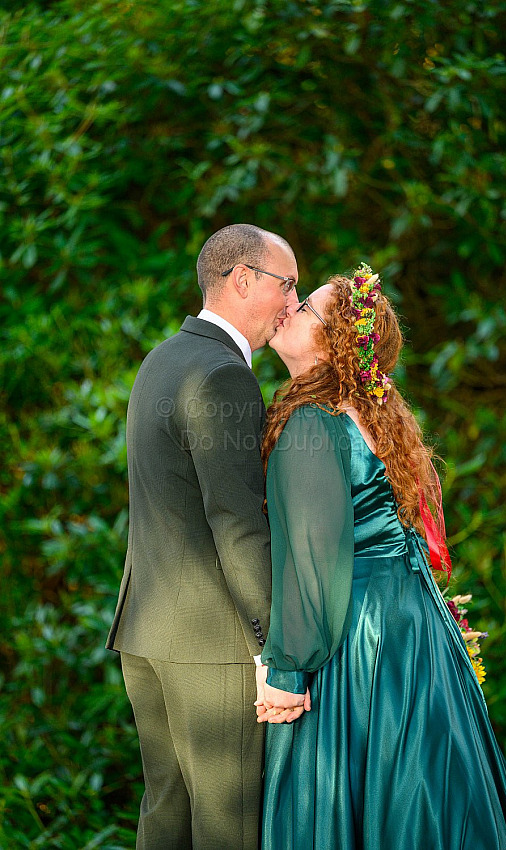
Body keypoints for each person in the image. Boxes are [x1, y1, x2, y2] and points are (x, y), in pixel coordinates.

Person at [255, 265, 506, 849]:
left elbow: (314, 564)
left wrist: (287, 673)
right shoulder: (365, 413)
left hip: (359, 636)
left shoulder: (313, 421)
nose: (289, 308)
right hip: (411, 630)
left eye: (306, 306)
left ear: (336, 342)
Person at [106, 224, 299, 850]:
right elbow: (237, 522)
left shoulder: (162, 358)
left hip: (147, 631)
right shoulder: (224, 376)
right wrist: (277, 644)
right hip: (212, 647)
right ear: (243, 280)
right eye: (286, 285)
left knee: (166, 817)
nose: (291, 305)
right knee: (228, 831)